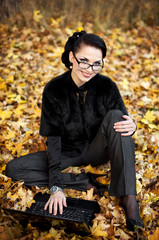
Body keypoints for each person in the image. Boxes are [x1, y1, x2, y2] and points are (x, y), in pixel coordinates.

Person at [5, 30, 144, 231]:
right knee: (13, 169)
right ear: (71, 57)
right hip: (66, 153)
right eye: (84, 61)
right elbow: (52, 142)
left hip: (97, 150)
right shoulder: (54, 89)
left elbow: (124, 122)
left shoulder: (107, 86)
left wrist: (134, 125)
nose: (90, 69)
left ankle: (129, 199)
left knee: (115, 116)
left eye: (97, 63)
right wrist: (56, 187)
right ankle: (81, 181)